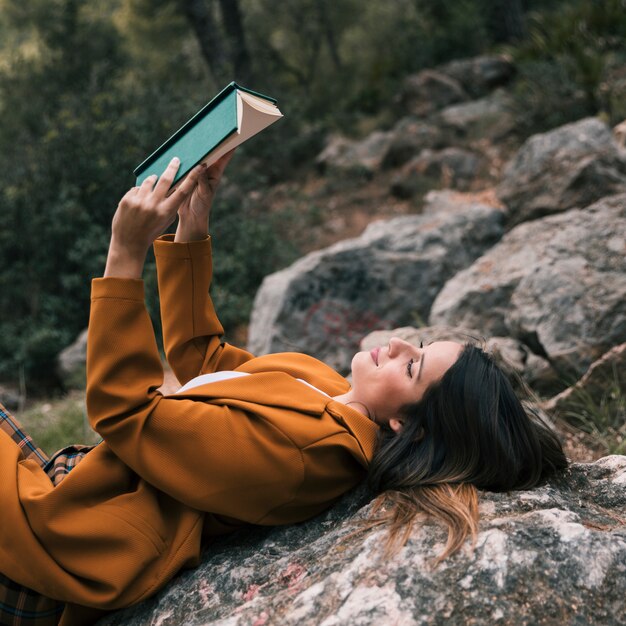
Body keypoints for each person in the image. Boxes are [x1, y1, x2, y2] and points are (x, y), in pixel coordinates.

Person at [0, 153, 567, 625]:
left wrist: (124, 256)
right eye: (416, 343)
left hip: (51, 555)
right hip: (68, 490)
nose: (395, 344)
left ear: (405, 426)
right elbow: (208, 363)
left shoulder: (306, 455)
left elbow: (125, 413)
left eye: (412, 368)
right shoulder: (331, 391)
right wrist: (192, 226)